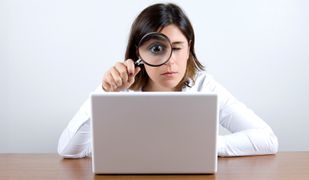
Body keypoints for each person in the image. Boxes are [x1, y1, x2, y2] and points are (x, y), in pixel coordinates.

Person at [57, 3, 278, 158]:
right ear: (138, 53)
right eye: (156, 48)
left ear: (189, 48)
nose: (170, 61)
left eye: (178, 48)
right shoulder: (120, 90)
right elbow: (68, 150)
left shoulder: (204, 86)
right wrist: (104, 93)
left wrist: (206, 145)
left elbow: (267, 139)